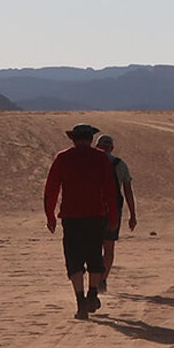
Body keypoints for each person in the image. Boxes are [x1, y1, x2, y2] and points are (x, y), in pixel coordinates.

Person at [43, 123, 123, 319]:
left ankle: (80, 302)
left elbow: (51, 188)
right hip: (96, 216)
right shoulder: (100, 159)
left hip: (71, 217)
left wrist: (50, 214)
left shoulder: (63, 158)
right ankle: (93, 293)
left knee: (74, 259)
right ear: (91, 139)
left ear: (73, 139)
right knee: (94, 255)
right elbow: (110, 191)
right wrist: (113, 217)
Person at [95, 135, 138, 287]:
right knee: (109, 247)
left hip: (92, 209)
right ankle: (103, 279)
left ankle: (94, 278)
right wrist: (132, 215)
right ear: (112, 148)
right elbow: (128, 191)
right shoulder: (120, 164)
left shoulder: (91, 162)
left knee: (93, 245)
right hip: (113, 210)